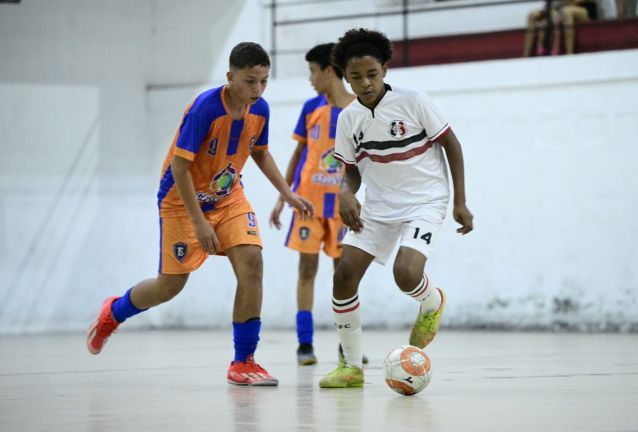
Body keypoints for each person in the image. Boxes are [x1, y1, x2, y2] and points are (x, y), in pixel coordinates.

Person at [86, 42, 314, 387]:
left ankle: (243, 361)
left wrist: (287, 192)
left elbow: (261, 153)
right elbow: (179, 169)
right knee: (169, 287)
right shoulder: (205, 108)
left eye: (264, 81)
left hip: (228, 197)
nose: (257, 90)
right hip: (182, 201)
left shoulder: (261, 109)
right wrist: (198, 222)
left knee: (252, 262)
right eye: (250, 81)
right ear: (230, 77)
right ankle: (114, 312)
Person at [318, 28, 474, 388]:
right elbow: (351, 171)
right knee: (343, 276)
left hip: (425, 199)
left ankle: (431, 302)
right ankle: (352, 368)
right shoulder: (348, 119)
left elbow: (452, 144)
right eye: (355, 77)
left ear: (385, 70)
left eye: (372, 74)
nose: (365, 82)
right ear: (345, 77)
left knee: (405, 274)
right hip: (378, 205)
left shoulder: (414, 100)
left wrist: (460, 201)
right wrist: (344, 192)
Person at [269, 43, 357, 366]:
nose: (310, 78)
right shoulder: (310, 108)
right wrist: (283, 197)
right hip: (307, 203)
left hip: (343, 209)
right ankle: (304, 345)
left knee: (344, 276)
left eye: (312, 71)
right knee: (307, 269)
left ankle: (348, 345)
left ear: (329, 71)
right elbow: (298, 155)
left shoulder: (358, 110)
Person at [523, 0, 592, 57]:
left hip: (578, 7)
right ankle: (526, 55)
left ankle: (570, 53)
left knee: (566, 12)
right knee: (532, 15)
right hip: (555, 9)